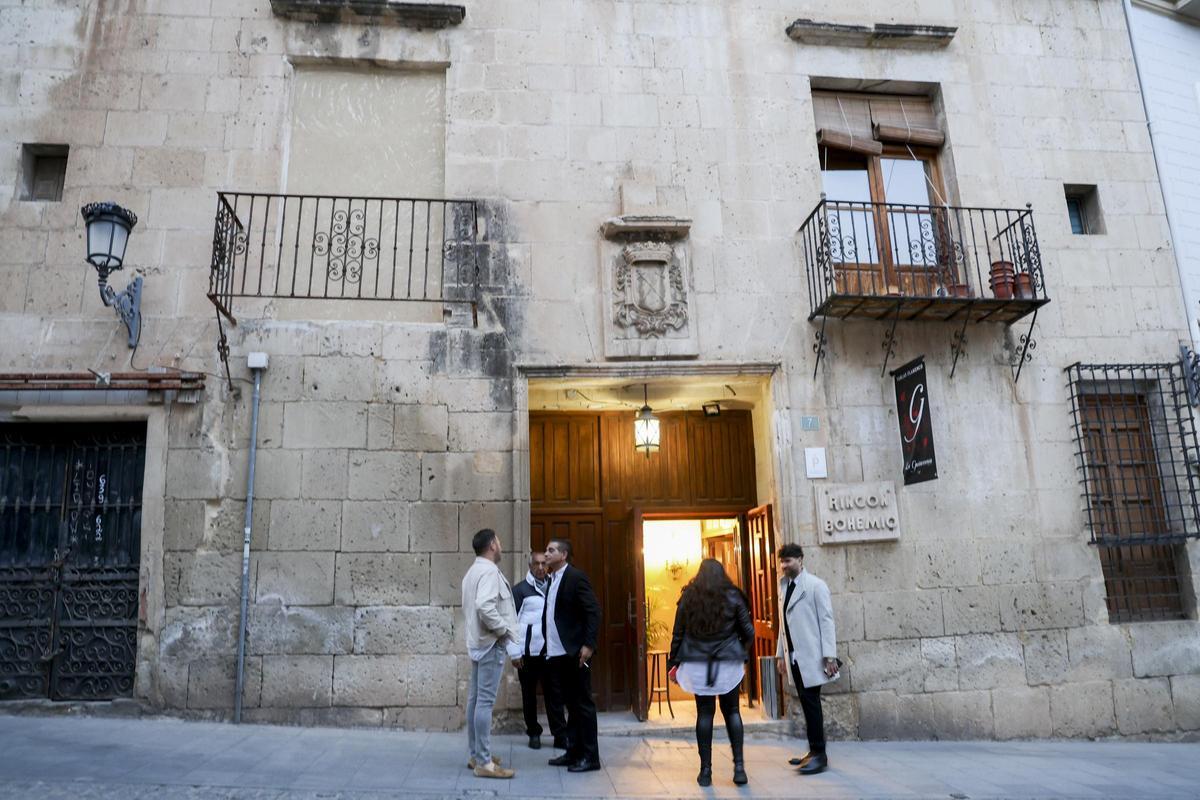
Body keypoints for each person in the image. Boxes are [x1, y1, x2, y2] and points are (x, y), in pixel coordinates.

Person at [668, 558, 756, 787]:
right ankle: (739, 768)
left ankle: (705, 772)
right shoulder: (734, 595)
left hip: (698, 663)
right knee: (733, 711)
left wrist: (672, 663)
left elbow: (678, 634)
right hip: (728, 662)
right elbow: (749, 631)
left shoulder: (689, 597)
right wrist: (740, 652)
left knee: (704, 714)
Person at [775, 543, 838, 776]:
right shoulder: (784, 587)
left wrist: (829, 656)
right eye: (782, 562)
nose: (784, 565)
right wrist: (780, 655)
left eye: (788, 561)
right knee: (806, 703)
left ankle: (820, 755)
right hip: (794, 657)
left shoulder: (816, 586)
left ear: (800, 560)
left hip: (811, 656)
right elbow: (783, 625)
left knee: (812, 704)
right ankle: (813, 751)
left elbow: (827, 621)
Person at [542, 538, 603, 773]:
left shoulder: (576, 577)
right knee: (570, 705)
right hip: (556, 653)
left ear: (564, 554)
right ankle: (574, 751)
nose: (546, 554)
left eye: (551, 550)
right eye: (546, 550)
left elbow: (593, 611)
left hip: (575, 652)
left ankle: (591, 756)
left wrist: (588, 645)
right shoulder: (552, 578)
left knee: (583, 704)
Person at [461, 528, 518, 779]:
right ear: (492, 544)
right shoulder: (489, 572)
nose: (501, 546)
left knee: (475, 701)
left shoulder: (472, 572)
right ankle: (484, 762)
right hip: (490, 644)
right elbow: (485, 606)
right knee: (483, 702)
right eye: (499, 541)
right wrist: (503, 630)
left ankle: (476, 755)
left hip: (479, 643)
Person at [506, 550, 566, 750]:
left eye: (543, 564)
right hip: (528, 653)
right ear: (530, 566)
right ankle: (533, 732)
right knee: (529, 695)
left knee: (554, 694)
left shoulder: (555, 586)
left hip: (551, 651)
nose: (540, 567)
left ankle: (560, 734)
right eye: (536, 564)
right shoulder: (520, 590)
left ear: (548, 566)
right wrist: (514, 652)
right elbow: (510, 622)